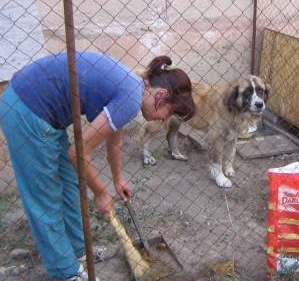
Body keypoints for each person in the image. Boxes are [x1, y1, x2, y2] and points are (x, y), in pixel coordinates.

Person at [0, 51, 195, 281]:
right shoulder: (132, 97)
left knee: (70, 184)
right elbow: (77, 152)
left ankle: (79, 253)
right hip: (25, 108)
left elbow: (116, 138)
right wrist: (101, 192)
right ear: (161, 94)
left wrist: (117, 179)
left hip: (44, 114)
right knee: (46, 196)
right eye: (169, 112)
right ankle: (66, 273)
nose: (164, 120)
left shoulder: (133, 88)